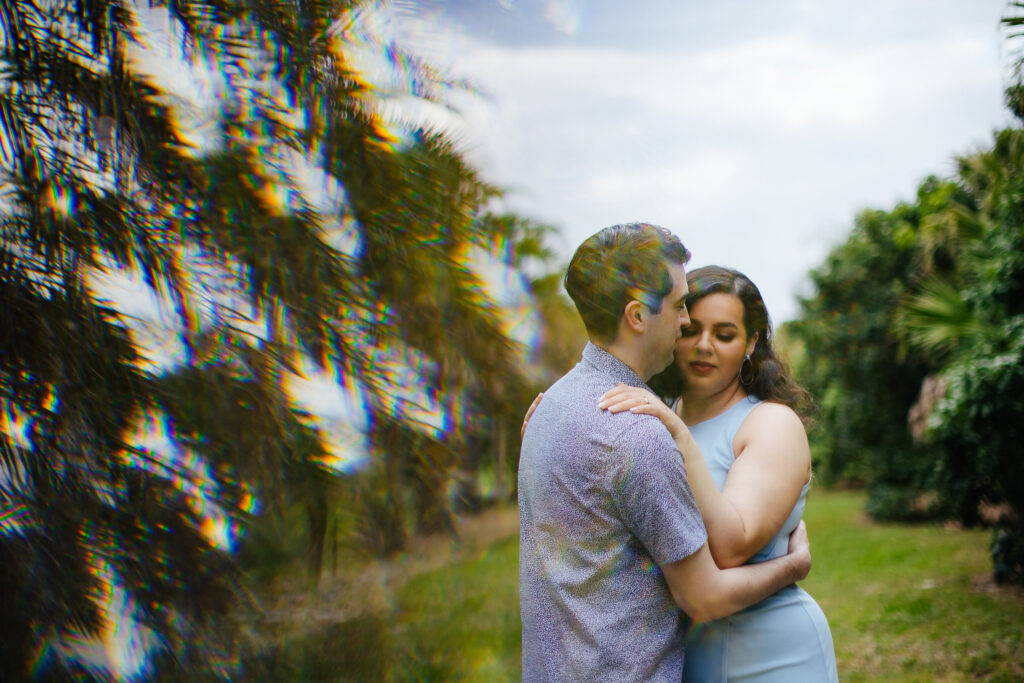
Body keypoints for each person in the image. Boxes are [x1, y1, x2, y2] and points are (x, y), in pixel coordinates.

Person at [518, 224, 813, 682]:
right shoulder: (639, 432)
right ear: (637, 316)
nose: (687, 330)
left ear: (751, 343)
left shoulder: (553, 407)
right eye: (683, 312)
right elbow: (704, 597)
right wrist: (793, 565)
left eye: (725, 333)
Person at [596, 265, 838, 682]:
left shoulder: (770, 424)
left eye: (724, 335)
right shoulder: (653, 417)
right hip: (682, 662)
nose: (704, 346)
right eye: (692, 330)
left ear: (751, 343)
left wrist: (681, 439)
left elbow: (729, 548)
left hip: (775, 659)